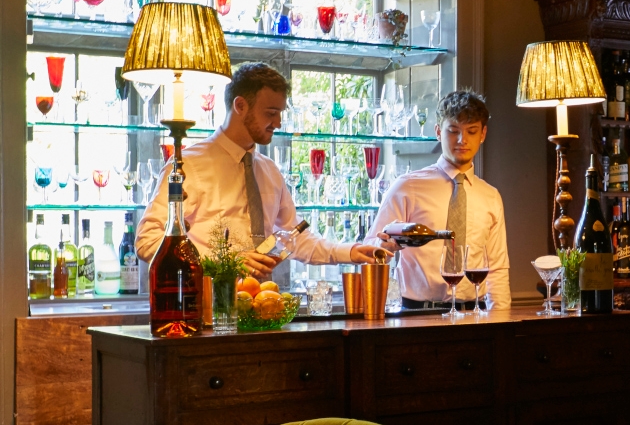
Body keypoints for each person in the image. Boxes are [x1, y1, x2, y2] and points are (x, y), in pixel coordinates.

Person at [137, 62, 378, 274]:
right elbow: (148, 241)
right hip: (207, 305)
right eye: (271, 113)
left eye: (280, 113)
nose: (278, 123)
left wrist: (351, 252)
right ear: (240, 106)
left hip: (262, 302)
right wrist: (223, 262)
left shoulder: (269, 170)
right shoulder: (188, 165)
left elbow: (296, 238)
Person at [366, 89, 510, 310]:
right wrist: (385, 247)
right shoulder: (407, 187)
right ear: (438, 132)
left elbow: (497, 270)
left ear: (483, 134)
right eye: (453, 131)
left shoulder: (491, 196)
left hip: (475, 316)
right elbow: (370, 247)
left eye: (471, 131)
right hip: (417, 315)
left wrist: (501, 321)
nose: (462, 140)